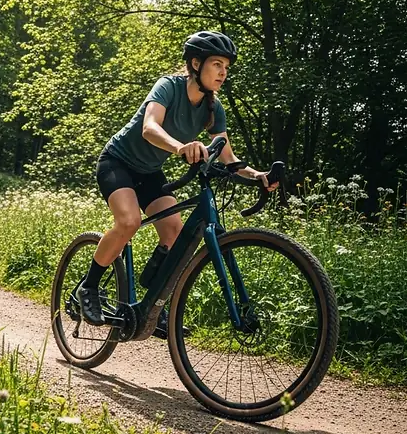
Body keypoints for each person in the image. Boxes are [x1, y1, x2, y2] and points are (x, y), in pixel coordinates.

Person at [77, 31, 279, 332]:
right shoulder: (168, 87)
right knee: (129, 221)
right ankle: (88, 288)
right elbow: (149, 127)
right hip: (117, 162)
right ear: (195, 64)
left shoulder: (213, 108)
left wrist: (257, 175)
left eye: (226, 67)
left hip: (149, 172)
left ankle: (151, 306)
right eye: (217, 64)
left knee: (174, 230)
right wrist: (180, 147)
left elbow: (228, 157)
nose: (223, 72)